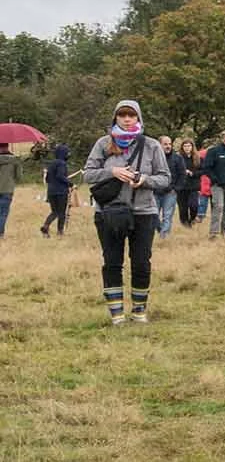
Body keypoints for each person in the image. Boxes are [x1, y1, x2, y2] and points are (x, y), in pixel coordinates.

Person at [84, 100, 173, 324]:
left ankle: (139, 311)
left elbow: (165, 178)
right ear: (115, 118)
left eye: (131, 115)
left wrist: (144, 179)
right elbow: (88, 174)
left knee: (141, 261)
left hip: (144, 211)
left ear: (138, 118)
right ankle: (117, 314)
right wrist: (112, 171)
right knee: (112, 261)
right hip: (109, 212)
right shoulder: (104, 143)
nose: (126, 119)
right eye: (122, 115)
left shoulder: (152, 145)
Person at [41, 143, 74, 236]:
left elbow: (47, 179)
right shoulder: (62, 164)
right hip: (61, 192)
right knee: (62, 213)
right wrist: (70, 183)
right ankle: (60, 232)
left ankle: (46, 226)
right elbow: (60, 176)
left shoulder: (51, 164)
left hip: (51, 191)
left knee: (54, 212)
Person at [0, 142, 16, 238]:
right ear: (7, 146)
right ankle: (1, 233)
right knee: (3, 212)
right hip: (7, 189)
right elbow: (19, 176)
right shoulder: (14, 160)